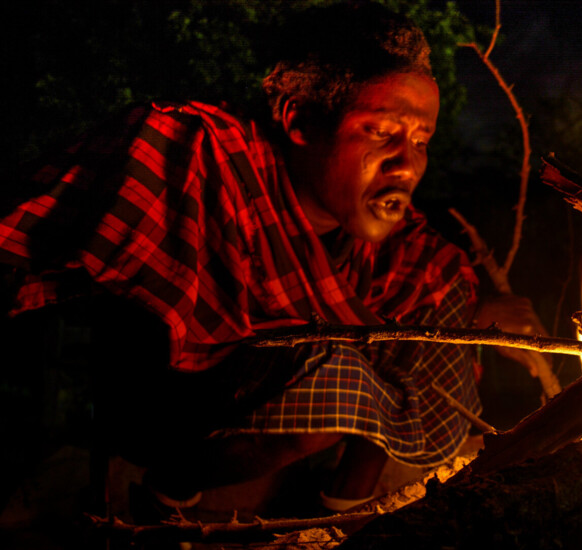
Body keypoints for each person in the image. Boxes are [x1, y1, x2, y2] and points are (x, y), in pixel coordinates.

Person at [0, 2, 540, 517]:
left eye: (422, 139)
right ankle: (167, 491)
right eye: (379, 132)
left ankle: (346, 513)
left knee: (444, 289)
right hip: (164, 405)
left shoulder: (391, 238)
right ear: (299, 119)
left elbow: (437, 287)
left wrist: (478, 312)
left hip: (294, 384)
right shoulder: (200, 150)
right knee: (344, 374)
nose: (407, 164)